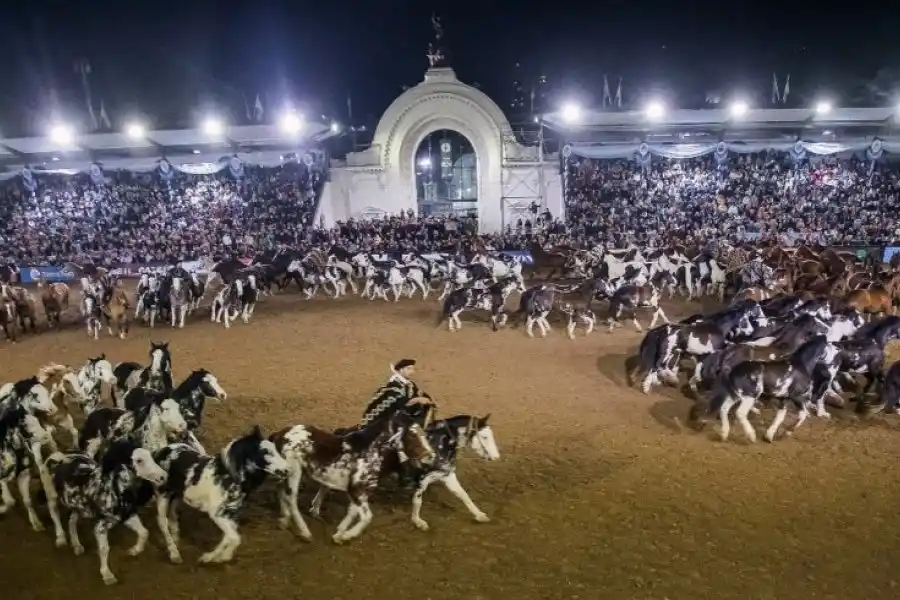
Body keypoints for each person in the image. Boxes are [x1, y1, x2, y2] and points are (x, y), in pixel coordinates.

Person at [361, 359, 438, 487]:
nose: (412, 372)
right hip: (389, 420)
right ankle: (402, 472)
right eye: (409, 369)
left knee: (418, 434)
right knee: (400, 442)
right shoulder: (392, 387)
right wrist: (416, 400)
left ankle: (418, 466)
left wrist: (428, 401)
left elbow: (417, 395)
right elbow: (397, 403)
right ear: (401, 370)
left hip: (402, 419)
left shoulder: (410, 385)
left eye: (412, 369)